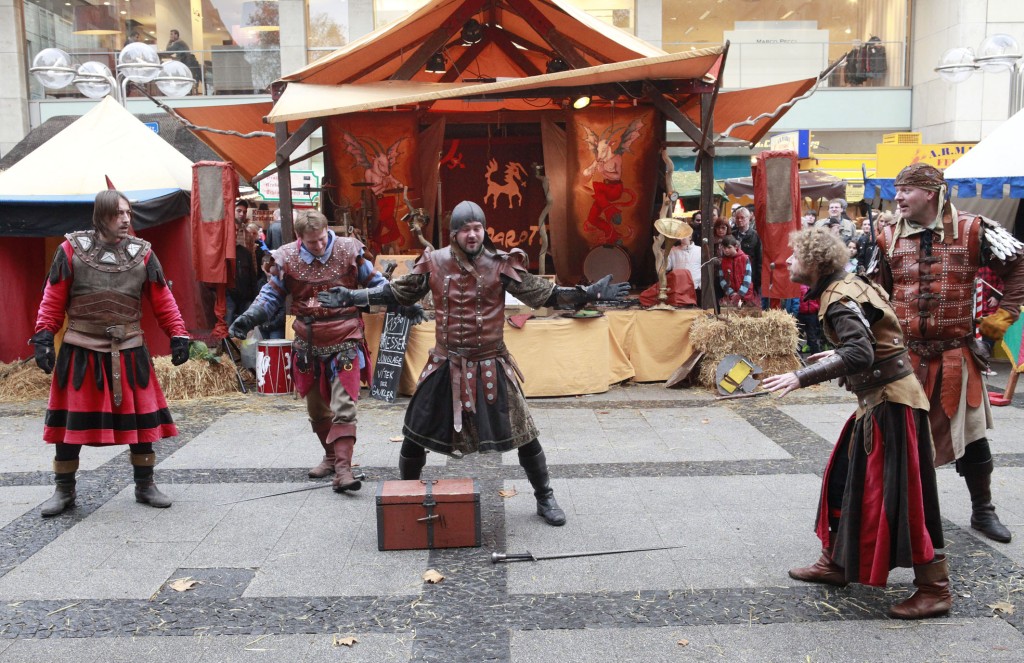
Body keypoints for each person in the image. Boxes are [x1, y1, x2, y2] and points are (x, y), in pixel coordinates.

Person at [317, 201, 630, 526]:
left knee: (525, 434)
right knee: (414, 435)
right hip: (445, 364)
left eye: (477, 228)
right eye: (465, 229)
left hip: (491, 364)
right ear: (454, 233)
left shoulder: (501, 264)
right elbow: (398, 293)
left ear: (484, 230)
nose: (472, 234)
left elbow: (544, 294)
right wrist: (353, 297)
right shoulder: (433, 262)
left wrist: (587, 293)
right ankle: (406, 497)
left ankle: (545, 497)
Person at [763, 227, 949, 620]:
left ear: (814, 263)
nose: (789, 261)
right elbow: (875, 339)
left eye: (795, 256)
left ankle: (935, 589)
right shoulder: (851, 285)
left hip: (891, 405)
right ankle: (837, 562)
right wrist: (836, 355)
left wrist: (800, 377)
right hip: (883, 401)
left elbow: (861, 353)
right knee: (844, 477)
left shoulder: (838, 297)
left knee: (903, 497)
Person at [875, 162, 1024, 543]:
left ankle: (983, 510)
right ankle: (904, 513)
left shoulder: (974, 230)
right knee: (900, 438)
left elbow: (1019, 265)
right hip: (905, 359)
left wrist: (1002, 318)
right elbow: (876, 293)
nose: (898, 197)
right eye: (897, 189)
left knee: (972, 438)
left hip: (957, 355)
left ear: (930, 193)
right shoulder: (887, 237)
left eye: (906, 190)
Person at [229, 210, 417, 492]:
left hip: (345, 338)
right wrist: (249, 317)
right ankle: (330, 457)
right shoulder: (286, 257)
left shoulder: (349, 250)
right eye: (311, 242)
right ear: (299, 238)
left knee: (344, 406)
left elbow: (377, 283)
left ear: (327, 230)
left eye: (321, 239)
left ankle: (343, 470)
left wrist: (402, 301)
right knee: (316, 409)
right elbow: (271, 295)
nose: (318, 245)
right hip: (308, 343)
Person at [30, 190, 191, 517]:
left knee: (141, 424)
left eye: (128, 213)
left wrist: (178, 334)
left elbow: (163, 299)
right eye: (119, 213)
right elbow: (53, 298)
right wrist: (44, 336)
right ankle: (64, 491)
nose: (126, 219)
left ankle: (145, 485)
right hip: (81, 350)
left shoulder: (142, 253)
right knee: (69, 425)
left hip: (129, 348)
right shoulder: (70, 249)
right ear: (102, 216)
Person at [226, 200, 258, 325]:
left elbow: (252, 259)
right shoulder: (225, 231)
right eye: (239, 211)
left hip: (245, 283)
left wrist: (253, 282)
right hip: (230, 283)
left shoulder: (247, 234)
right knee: (229, 317)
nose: (242, 214)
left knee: (244, 320)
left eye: (244, 212)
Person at [718, 236, 758, 308]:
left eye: (729, 247)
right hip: (731, 296)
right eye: (724, 248)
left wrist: (740, 294)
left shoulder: (745, 258)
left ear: (735, 247)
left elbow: (747, 279)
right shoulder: (723, 262)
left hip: (746, 296)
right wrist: (731, 293)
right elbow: (722, 280)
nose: (726, 250)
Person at [732, 207, 762, 297]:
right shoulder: (732, 235)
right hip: (734, 276)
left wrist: (758, 280)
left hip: (751, 276)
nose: (739, 220)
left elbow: (760, 259)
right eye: (737, 218)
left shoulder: (756, 236)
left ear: (748, 218)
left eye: (742, 217)